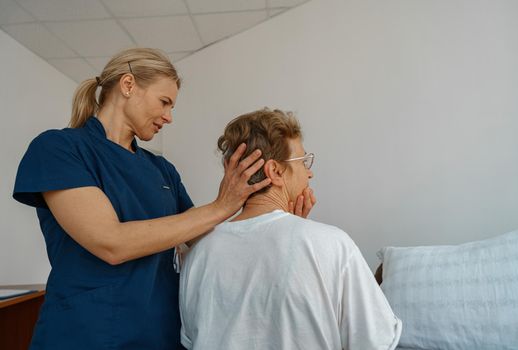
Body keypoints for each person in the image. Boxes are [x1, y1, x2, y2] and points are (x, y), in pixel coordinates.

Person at [12, 48, 314, 349]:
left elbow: (206, 246)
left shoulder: (162, 170)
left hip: (161, 335)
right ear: (128, 85)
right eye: (164, 102)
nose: (169, 117)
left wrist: (282, 231)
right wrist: (222, 206)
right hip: (85, 335)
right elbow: (111, 242)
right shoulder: (60, 149)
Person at [179, 108, 402, 350]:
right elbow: (375, 341)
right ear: (275, 171)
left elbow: (193, 339)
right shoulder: (332, 245)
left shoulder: (198, 254)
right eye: (304, 161)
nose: (309, 172)